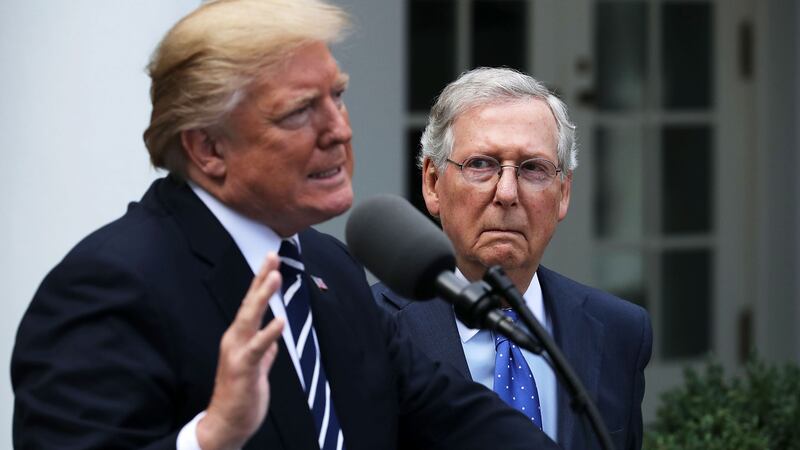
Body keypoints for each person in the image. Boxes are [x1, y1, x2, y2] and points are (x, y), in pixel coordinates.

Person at [10, 3, 560, 450]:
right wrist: (209, 439)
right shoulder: (107, 285)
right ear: (208, 148)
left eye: (337, 97)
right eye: (299, 111)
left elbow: (453, 417)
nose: (338, 131)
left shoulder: (328, 268)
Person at [373, 67, 653, 450]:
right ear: (433, 184)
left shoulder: (620, 330)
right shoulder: (370, 327)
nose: (507, 192)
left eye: (533, 168)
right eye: (481, 164)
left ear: (564, 193)